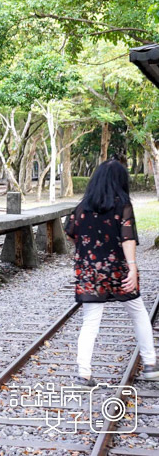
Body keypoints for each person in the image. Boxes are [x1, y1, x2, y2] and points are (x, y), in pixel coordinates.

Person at [64, 159, 159, 385]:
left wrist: (86, 251)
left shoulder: (81, 208)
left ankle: (84, 372)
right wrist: (133, 267)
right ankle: (150, 364)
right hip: (118, 270)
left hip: (90, 273)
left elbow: (70, 234)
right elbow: (128, 238)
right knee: (138, 313)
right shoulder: (123, 206)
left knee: (90, 322)